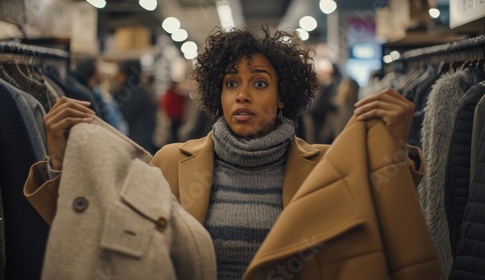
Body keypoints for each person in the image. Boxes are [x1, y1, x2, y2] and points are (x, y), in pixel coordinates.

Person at [28, 24, 419, 279]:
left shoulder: (326, 165)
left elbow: (385, 224)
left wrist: (395, 152)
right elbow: (91, 226)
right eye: (231, 83)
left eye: (260, 84)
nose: (243, 95)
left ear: (284, 96)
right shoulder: (170, 162)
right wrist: (63, 163)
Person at [113, 60, 158, 154]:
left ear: (127, 75)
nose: (117, 76)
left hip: (132, 146)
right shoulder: (143, 92)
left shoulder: (126, 94)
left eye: (120, 73)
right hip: (143, 145)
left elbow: (122, 119)